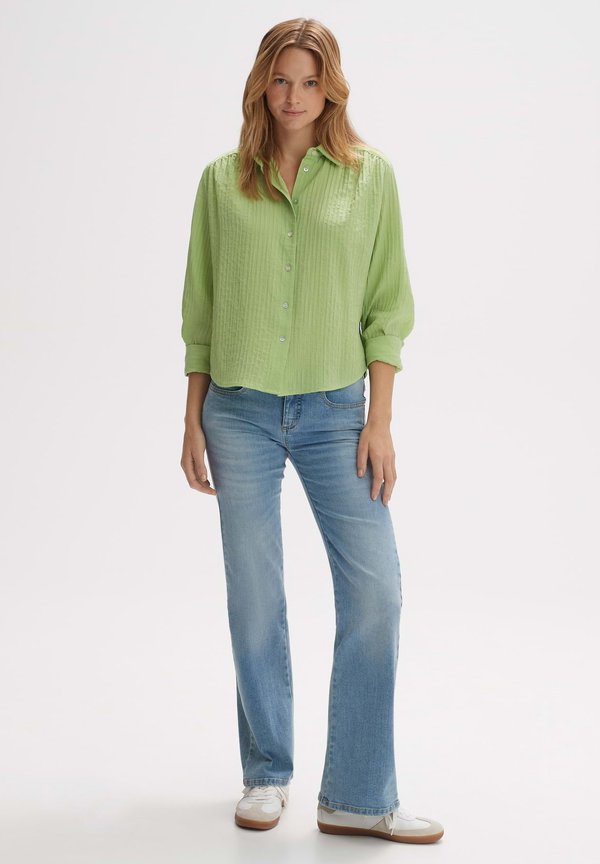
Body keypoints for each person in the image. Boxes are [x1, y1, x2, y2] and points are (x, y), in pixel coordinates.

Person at [180, 17, 444, 845]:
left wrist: (381, 421)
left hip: (337, 416)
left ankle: (358, 795)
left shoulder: (370, 178)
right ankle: (267, 774)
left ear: (331, 88)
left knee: (376, 591)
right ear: (262, 84)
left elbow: (388, 307)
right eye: (280, 79)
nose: (293, 96)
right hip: (238, 412)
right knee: (255, 596)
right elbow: (200, 309)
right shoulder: (222, 181)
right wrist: (191, 419)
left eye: (309, 80)